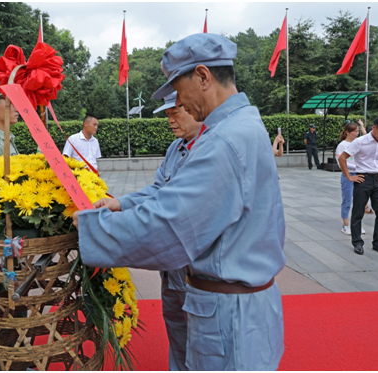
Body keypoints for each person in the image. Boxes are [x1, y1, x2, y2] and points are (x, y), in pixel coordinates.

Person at [73, 33, 286, 371]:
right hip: (241, 308)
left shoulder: (224, 140)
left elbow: (169, 224)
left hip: (229, 315)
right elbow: (167, 193)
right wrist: (123, 206)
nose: (180, 103)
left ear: (203, 76)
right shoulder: (243, 125)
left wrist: (89, 228)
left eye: (178, 88)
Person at [94, 91, 201, 371]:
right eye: (167, 114)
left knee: (202, 341)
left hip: (198, 270)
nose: (170, 120)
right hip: (171, 269)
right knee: (177, 332)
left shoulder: (208, 153)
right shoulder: (175, 149)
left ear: (194, 107)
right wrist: (119, 203)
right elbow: (157, 191)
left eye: (175, 113)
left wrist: (112, 233)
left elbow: (175, 208)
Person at [338, 116, 378, 256]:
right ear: (374, 127)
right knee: (358, 211)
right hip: (362, 178)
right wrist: (349, 176)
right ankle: (357, 243)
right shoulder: (360, 142)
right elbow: (342, 158)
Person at [336, 122, 366, 235]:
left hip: (360, 174)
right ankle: (346, 225)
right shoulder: (342, 145)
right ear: (347, 132)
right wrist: (356, 166)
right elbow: (341, 163)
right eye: (355, 131)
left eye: (358, 131)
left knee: (360, 202)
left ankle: (357, 225)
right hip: (348, 175)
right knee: (347, 200)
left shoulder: (359, 143)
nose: (357, 133)